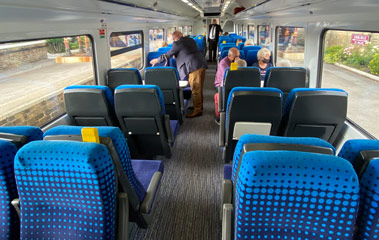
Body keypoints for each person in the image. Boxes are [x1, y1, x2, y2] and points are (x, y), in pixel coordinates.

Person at [150, 31, 207, 118]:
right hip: (200, 64)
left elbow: (168, 54)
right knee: (198, 88)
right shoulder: (190, 40)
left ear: (175, 38)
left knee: (195, 89)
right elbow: (186, 51)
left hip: (194, 67)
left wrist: (156, 60)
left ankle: (198, 110)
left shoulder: (177, 43)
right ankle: (198, 106)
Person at [213, 48, 242, 123]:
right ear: (229, 56)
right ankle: (221, 117)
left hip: (234, 82)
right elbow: (227, 79)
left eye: (238, 56)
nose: (238, 58)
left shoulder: (238, 61)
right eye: (235, 56)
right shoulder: (224, 64)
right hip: (221, 84)